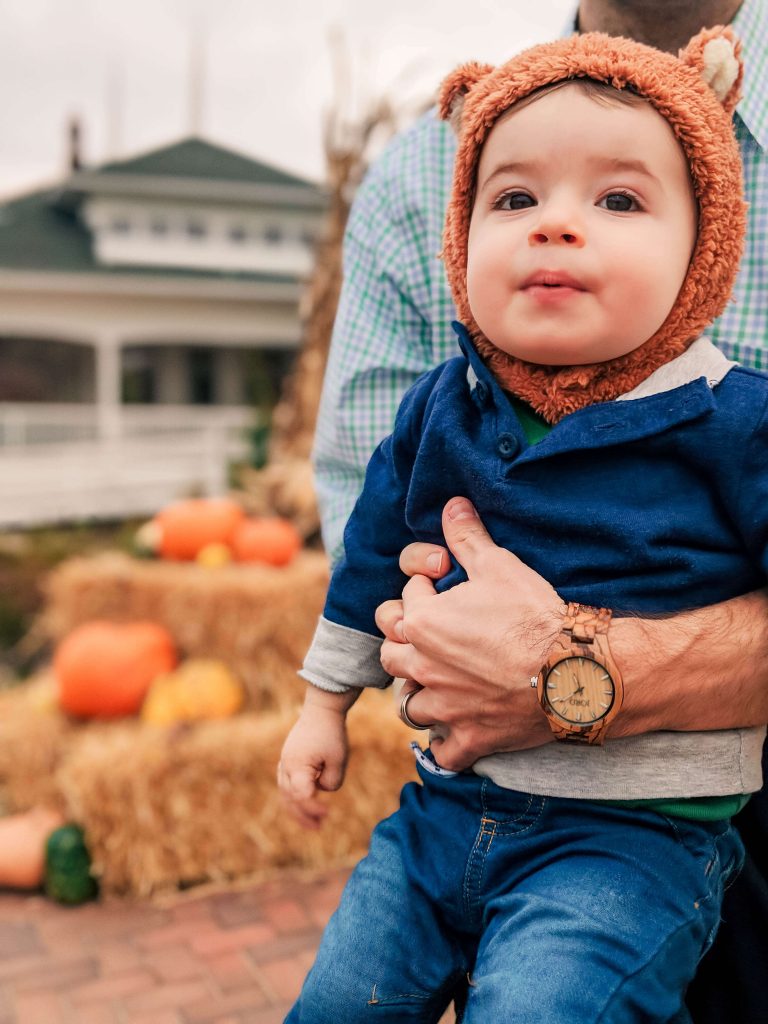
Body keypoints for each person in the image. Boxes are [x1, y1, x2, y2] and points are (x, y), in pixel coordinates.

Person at [279, 29, 759, 1022]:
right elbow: (373, 549)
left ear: (704, 246)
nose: (556, 226)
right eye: (514, 200)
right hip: (445, 806)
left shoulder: (736, 420)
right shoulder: (441, 405)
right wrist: (326, 700)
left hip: (637, 837)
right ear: (459, 240)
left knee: (543, 1008)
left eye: (618, 200)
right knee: (337, 1000)